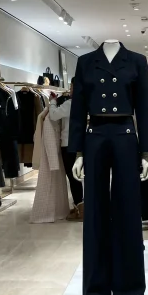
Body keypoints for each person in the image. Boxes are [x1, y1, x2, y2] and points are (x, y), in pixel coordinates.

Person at [49, 78, 84, 220]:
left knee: (73, 177)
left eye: (72, 87)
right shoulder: (87, 103)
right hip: (84, 143)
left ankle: (80, 208)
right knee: (80, 176)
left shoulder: (70, 104)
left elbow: (53, 115)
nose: (70, 90)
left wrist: (52, 102)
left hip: (69, 144)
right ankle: (81, 206)